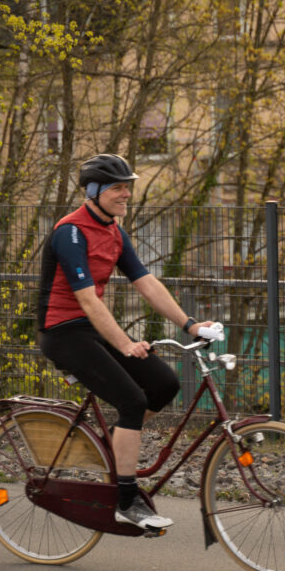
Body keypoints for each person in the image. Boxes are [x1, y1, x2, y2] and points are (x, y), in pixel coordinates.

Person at [37, 153, 214, 530]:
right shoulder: (69, 232)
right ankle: (126, 500)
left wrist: (190, 325)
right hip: (63, 332)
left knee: (164, 385)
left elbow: (146, 282)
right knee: (132, 400)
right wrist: (123, 344)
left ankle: (113, 449)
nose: (127, 193)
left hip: (93, 329)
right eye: (118, 187)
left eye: (128, 186)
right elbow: (86, 299)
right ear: (95, 190)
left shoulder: (115, 232)